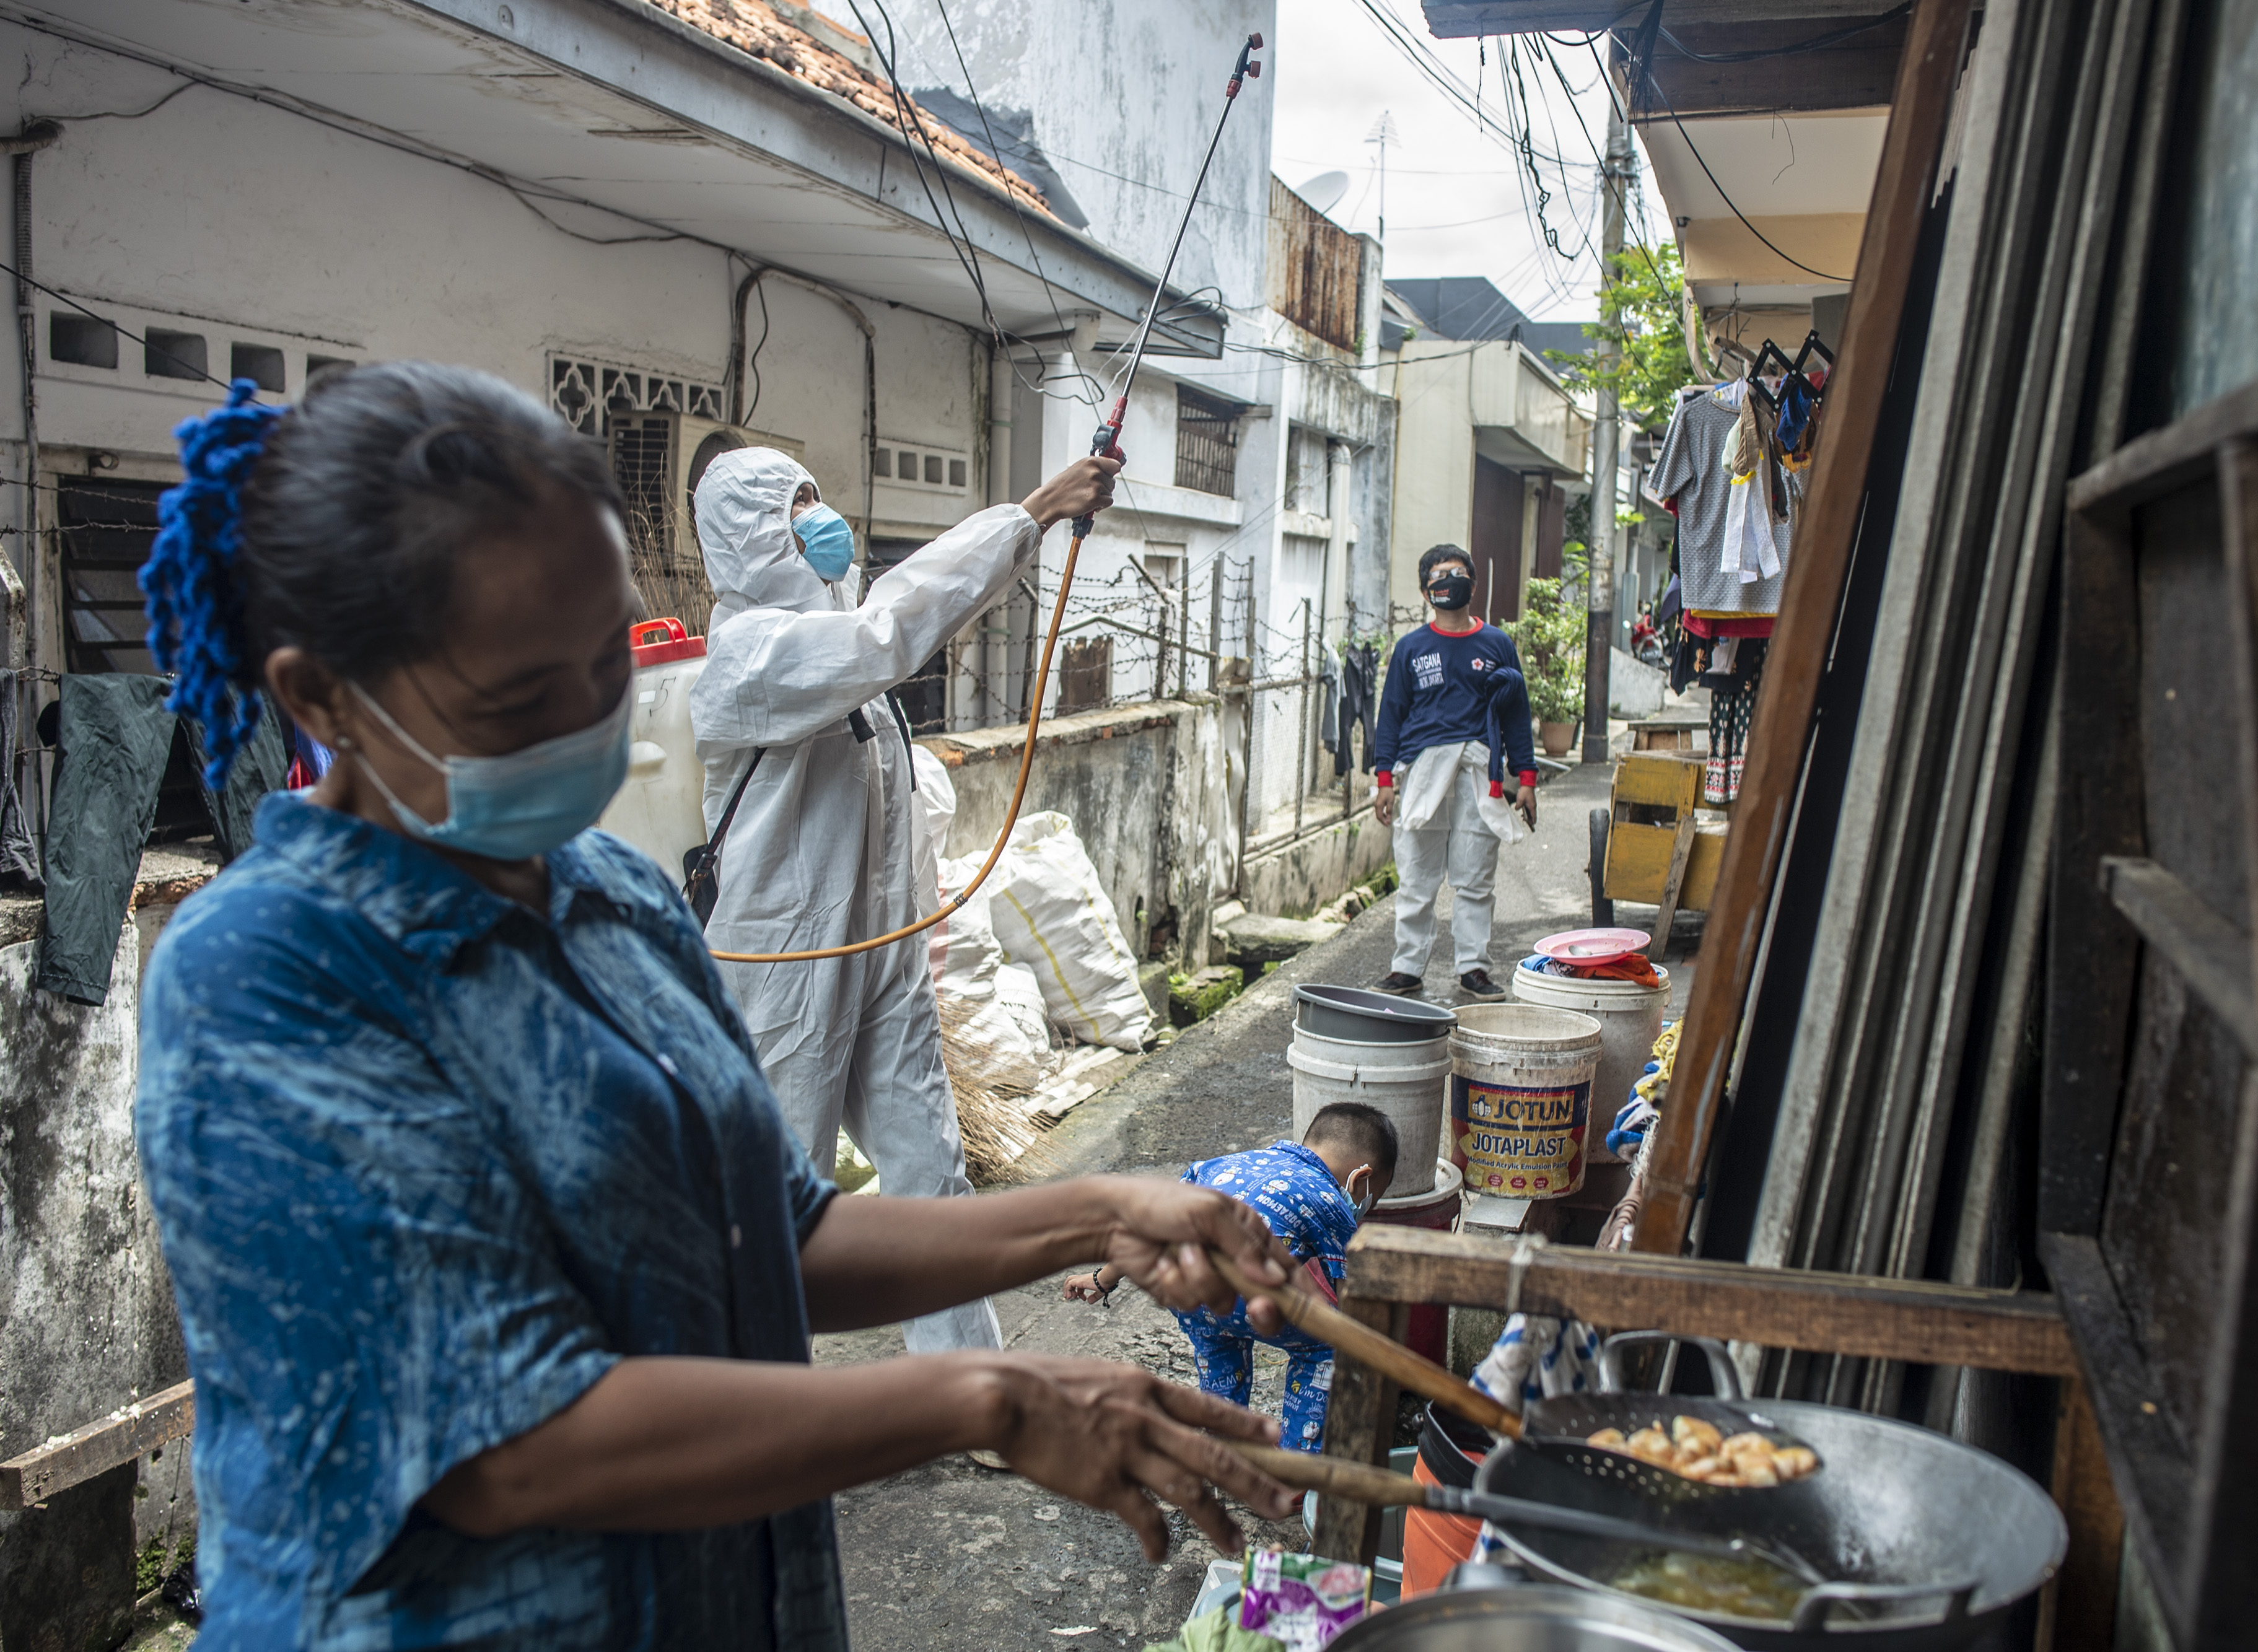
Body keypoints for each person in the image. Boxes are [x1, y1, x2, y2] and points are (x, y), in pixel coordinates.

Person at [132, 364, 1298, 1650]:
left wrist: (1093, 1212)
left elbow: (770, 1237)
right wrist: (989, 1397)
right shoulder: (269, 972)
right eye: (526, 690)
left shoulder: (616, 904)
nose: (593, 714)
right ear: (321, 699)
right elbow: (502, 1445)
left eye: (609, 656)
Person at [688, 444, 1113, 1354]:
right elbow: (892, 628)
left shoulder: (842, 643)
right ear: (751, 537)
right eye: (796, 505)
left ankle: (966, 1378)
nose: (820, 518)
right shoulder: (749, 658)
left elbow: (902, 633)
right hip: (786, 965)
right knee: (779, 1191)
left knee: (930, 1166)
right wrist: (1030, 511)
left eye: (816, 493)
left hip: (878, 951)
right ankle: (754, 1418)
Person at [1064, 1104, 1400, 1453]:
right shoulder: (1330, 1198)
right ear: (1360, 1178)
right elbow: (1353, 1296)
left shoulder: (1217, 1166)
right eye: (1370, 1200)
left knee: (1218, 1344)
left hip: (1188, 1292)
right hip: (1248, 1301)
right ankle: (1297, 1468)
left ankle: (1227, 1446)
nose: (1363, 1207)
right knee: (1329, 1346)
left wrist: (1102, 1278)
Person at [1368, 544, 1537, 1001]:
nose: (1449, 580)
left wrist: (1527, 779)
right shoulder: (1410, 648)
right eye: (1440, 575)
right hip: (1422, 772)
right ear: (1426, 590)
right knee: (1417, 876)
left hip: (1480, 774)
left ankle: (1474, 969)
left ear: (1473, 585)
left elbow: (1517, 715)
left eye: (1457, 573)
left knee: (1475, 876)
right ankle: (1406, 968)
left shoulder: (1498, 644)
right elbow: (1391, 716)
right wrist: (1385, 782)